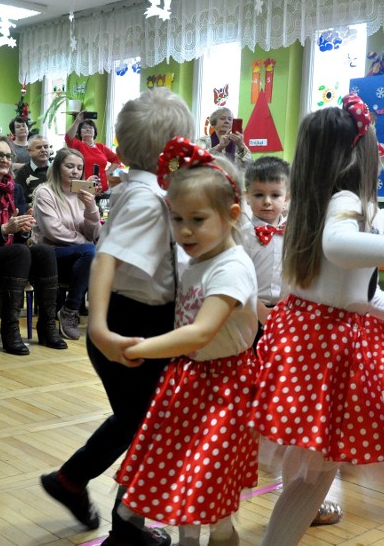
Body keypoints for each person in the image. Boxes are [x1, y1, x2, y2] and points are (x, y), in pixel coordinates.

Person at [247, 95, 384, 546]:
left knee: (308, 465)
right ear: (360, 152)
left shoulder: (312, 204)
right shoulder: (347, 203)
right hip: (324, 346)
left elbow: (363, 297)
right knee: (316, 473)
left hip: (299, 335)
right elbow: (339, 248)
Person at [40, 88, 195, 546]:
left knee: (140, 423)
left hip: (140, 322)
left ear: (123, 148)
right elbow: (105, 259)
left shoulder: (144, 192)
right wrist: (100, 326)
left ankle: (73, 482)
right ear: (175, 150)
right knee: (150, 427)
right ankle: (125, 530)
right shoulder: (147, 201)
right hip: (131, 325)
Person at [116, 137, 258, 546]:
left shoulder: (230, 266)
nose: (184, 231)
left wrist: (137, 347)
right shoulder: (200, 259)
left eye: (197, 219)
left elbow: (201, 331)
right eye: (176, 219)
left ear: (231, 215)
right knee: (186, 476)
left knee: (201, 479)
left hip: (223, 388)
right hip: (191, 381)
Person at [0, 133, 68, 355]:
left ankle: (47, 326)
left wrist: (24, 230)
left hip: (12, 262)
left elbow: (18, 239)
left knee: (44, 252)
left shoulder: (14, 189)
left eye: (8, 156)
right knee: (18, 252)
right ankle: (10, 330)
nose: (5, 160)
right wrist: (4, 229)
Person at [32, 148, 101, 341]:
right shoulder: (45, 192)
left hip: (81, 256)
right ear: (57, 168)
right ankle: (71, 310)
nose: (75, 172)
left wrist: (90, 207)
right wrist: (87, 243)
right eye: (69, 166)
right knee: (91, 251)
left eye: (79, 168)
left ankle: (102, 315)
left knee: (102, 254)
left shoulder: (83, 194)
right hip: (51, 255)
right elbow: (53, 231)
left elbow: (94, 233)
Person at [241, 156, 289, 335]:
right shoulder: (243, 235)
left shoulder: (293, 234)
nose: (267, 201)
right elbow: (240, 280)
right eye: (259, 194)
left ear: (287, 197)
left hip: (286, 312)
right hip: (249, 311)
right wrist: (261, 311)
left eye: (275, 195)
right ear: (247, 197)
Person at [65, 110, 120, 191]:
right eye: (84, 128)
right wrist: (77, 121)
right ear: (79, 132)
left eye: (90, 127)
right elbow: (68, 137)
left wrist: (107, 172)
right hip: (84, 188)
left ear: (94, 132)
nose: (87, 129)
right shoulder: (78, 145)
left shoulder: (101, 147)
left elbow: (117, 159)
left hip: (102, 188)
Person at [198, 107, 251, 173]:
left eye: (230, 119)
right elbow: (197, 162)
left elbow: (250, 167)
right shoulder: (203, 141)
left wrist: (241, 147)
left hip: (233, 180)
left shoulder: (237, 143)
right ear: (214, 122)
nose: (227, 121)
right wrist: (219, 147)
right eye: (222, 118)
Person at [14, 134, 53, 203]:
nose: (43, 150)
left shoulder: (57, 170)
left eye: (46, 147)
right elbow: (20, 202)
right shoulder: (22, 173)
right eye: (39, 147)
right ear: (29, 152)